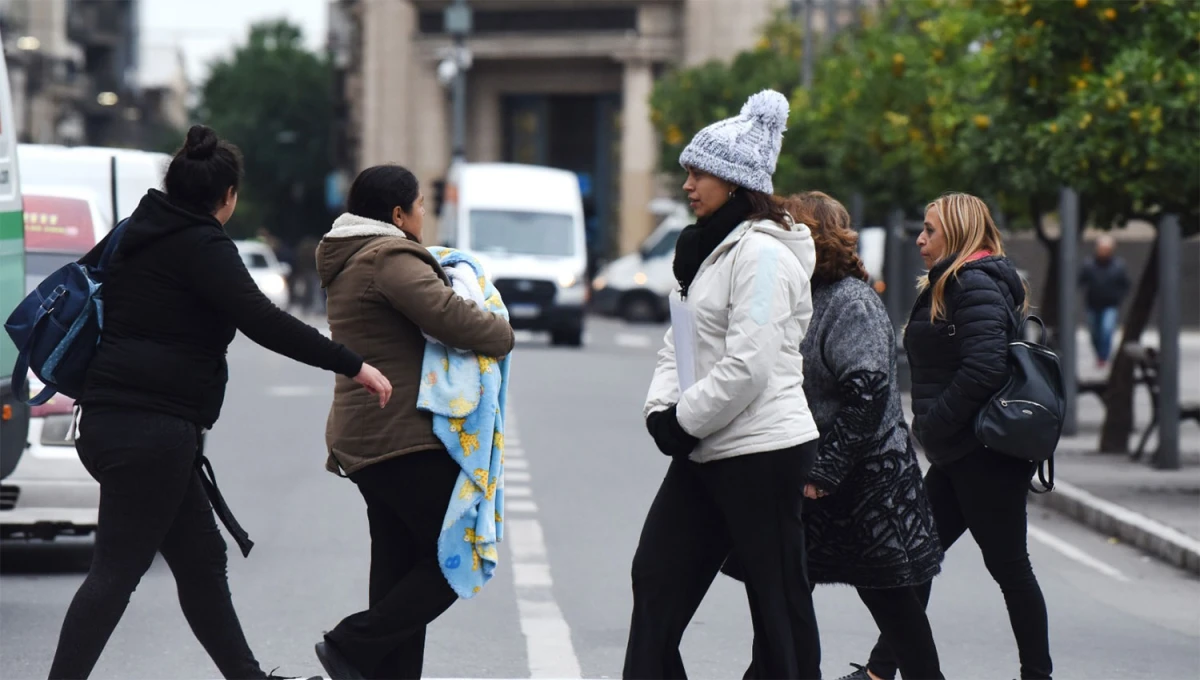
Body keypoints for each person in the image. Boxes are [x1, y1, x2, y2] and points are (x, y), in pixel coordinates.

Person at [49, 125, 392, 680]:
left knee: (201, 562)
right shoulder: (202, 244)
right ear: (226, 197)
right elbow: (261, 319)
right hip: (151, 433)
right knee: (115, 571)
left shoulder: (135, 230)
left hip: (112, 420)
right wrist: (351, 363)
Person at [623, 90, 823, 680]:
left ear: (736, 183)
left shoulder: (762, 255)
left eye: (699, 173)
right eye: (687, 171)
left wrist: (682, 421)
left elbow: (748, 365)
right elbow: (679, 340)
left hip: (763, 450)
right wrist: (662, 409)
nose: (687, 184)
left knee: (777, 605)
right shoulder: (708, 252)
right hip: (706, 445)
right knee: (655, 577)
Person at [725, 191, 946, 680]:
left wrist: (825, 471)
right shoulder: (799, 294)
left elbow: (867, 393)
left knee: (895, 610)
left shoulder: (850, 302)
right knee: (779, 604)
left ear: (811, 237)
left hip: (868, 484)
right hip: (809, 477)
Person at [313, 164, 515, 680]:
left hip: (367, 439)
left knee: (398, 570)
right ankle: (352, 644)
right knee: (458, 558)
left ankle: (375, 667)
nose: (425, 215)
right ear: (398, 213)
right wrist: (500, 330)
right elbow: (447, 314)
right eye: (421, 205)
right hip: (400, 437)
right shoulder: (388, 256)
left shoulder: (349, 256)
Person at [857, 192, 1053, 680]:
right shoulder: (959, 281)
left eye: (930, 230)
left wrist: (933, 423)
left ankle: (1038, 675)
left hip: (982, 455)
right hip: (960, 452)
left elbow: (985, 366)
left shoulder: (974, 283)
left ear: (960, 233)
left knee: (1009, 568)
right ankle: (882, 670)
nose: (921, 240)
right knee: (914, 561)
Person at [1078, 235, 1130, 368]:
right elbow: (1081, 281)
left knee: (1107, 330)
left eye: (1106, 248)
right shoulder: (1089, 264)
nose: (1103, 251)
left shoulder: (1118, 266)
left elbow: (1125, 284)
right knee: (1094, 332)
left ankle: (1103, 357)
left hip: (1110, 304)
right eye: (1101, 248)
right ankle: (1100, 354)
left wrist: (1118, 298)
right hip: (1093, 304)